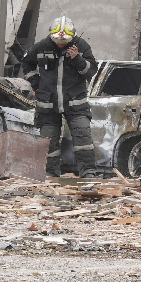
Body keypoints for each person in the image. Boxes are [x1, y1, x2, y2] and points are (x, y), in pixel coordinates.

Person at [25, 17, 98, 177]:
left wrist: (77, 59)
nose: (60, 44)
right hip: (48, 105)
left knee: (83, 139)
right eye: (57, 40)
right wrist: (36, 85)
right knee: (48, 142)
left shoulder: (81, 46)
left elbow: (91, 73)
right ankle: (51, 175)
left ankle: (88, 174)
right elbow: (27, 64)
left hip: (76, 103)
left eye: (64, 41)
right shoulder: (41, 47)